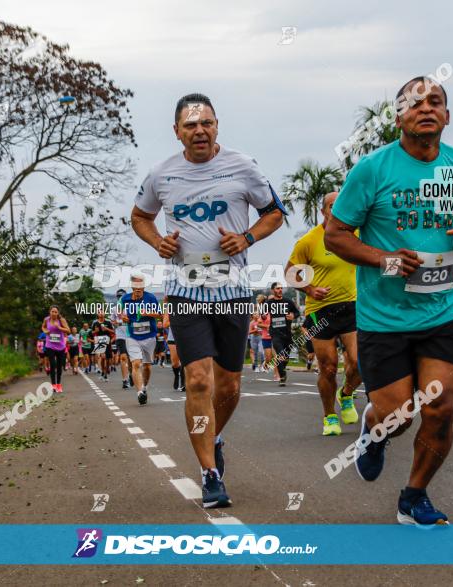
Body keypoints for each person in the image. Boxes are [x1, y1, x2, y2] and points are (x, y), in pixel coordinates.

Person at [324, 76, 453, 526]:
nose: (426, 108)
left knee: (442, 405)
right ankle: (374, 428)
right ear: (399, 116)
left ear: (446, 115)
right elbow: (336, 235)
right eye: (415, 102)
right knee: (397, 415)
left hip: (443, 310)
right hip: (384, 317)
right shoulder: (373, 169)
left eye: (436, 102)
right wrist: (386, 260)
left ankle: (413, 496)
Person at [130, 93, 284, 508]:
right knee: (198, 379)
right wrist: (159, 241)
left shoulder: (243, 167)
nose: (200, 131)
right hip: (185, 291)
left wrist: (248, 237)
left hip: (233, 290)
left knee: (230, 385)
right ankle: (209, 474)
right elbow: (139, 216)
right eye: (190, 125)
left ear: (217, 126)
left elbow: (274, 212)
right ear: (177, 131)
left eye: (207, 124)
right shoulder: (162, 175)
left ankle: (213, 434)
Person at [287, 191, 362, 435]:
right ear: (323, 211)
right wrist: (309, 288)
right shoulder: (309, 241)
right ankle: (330, 416)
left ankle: (347, 394)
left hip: (352, 306)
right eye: (332, 205)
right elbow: (290, 273)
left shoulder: (357, 233)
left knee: (360, 361)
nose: (337, 208)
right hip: (320, 311)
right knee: (328, 367)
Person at [119, 275, 161, 405]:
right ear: (132, 286)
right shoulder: (125, 299)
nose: (138, 288)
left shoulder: (151, 297)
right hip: (132, 336)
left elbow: (160, 314)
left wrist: (147, 313)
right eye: (135, 286)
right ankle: (139, 393)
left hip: (149, 337)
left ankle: (144, 388)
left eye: (140, 285)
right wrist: (124, 318)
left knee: (147, 366)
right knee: (136, 364)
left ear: (143, 286)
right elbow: (121, 314)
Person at [263, 283, 300, 386]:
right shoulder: (269, 303)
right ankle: (282, 376)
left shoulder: (288, 302)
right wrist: (264, 316)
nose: (280, 290)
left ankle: (282, 369)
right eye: (277, 288)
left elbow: (297, 313)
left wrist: (293, 315)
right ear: (272, 290)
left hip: (287, 334)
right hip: (275, 334)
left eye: (281, 288)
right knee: (280, 355)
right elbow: (263, 315)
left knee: (285, 357)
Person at [42, 305, 71, 393]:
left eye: (55, 312)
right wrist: (45, 331)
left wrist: (59, 327)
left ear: (58, 313)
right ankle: (53, 385)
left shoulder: (61, 320)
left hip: (60, 346)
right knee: (52, 364)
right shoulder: (46, 319)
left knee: (59, 366)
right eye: (52, 311)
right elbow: (43, 326)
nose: (54, 313)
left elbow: (68, 331)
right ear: (49, 312)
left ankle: (58, 384)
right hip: (50, 345)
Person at [111, 289, 133, 389]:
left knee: (131, 359)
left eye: (122, 297)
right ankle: (125, 380)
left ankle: (132, 374)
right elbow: (113, 322)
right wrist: (117, 323)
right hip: (120, 335)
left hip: (131, 335)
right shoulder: (114, 309)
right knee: (123, 357)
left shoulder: (130, 308)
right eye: (119, 297)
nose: (120, 298)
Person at [164, 299, 186, 392]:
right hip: (173, 337)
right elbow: (165, 324)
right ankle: (177, 376)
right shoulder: (170, 308)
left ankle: (184, 383)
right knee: (175, 363)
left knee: (184, 360)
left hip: (186, 337)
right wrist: (178, 321)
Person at [91, 310, 115, 381]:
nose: (101, 313)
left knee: (107, 359)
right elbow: (91, 333)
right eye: (99, 312)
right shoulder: (95, 323)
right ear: (97, 314)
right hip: (99, 340)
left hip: (107, 340)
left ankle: (106, 372)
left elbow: (113, 331)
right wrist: (95, 331)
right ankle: (103, 373)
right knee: (103, 357)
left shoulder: (108, 322)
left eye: (102, 312)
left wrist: (107, 329)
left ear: (104, 313)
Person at [258, 311, 274, 377]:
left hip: (274, 337)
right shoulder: (265, 314)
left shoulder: (275, 313)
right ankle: (265, 364)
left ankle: (277, 373)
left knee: (275, 355)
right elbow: (258, 324)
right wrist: (267, 326)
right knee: (269, 358)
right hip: (266, 338)